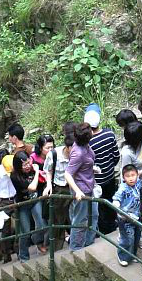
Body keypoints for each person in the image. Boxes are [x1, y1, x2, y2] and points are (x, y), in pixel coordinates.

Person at [83, 104, 120, 235]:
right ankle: (113, 224)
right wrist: (109, 166)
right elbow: (116, 155)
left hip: (96, 181)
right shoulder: (110, 134)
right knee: (110, 200)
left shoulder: (87, 142)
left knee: (99, 206)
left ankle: (104, 230)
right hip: (110, 176)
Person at [10, 151, 49, 261]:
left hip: (35, 200)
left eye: (28, 162)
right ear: (18, 166)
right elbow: (31, 188)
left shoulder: (33, 167)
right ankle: (24, 257)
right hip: (23, 204)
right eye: (24, 164)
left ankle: (36, 239)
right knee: (25, 232)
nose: (28, 166)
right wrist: (36, 172)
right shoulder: (14, 176)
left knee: (42, 225)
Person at [66, 122, 98, 251]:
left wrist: (92, 168)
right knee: (80, 220)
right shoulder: (78, 152)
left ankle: (88, 243)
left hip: (89, 185)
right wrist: (78, 191)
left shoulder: (85, 146)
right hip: (81, 189)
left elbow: (84, 164)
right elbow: (68, 174)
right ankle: (76, 248)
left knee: (93, 216)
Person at [43, 124, 75, 250]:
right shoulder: (54, 154)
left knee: (73, 217)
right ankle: (56, 249)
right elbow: (48, 170)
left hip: (72, 188)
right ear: (67, 147)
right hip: (59, 188)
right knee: (58, 220)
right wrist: (49, 185)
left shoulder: (77, 154)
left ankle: (76, 244)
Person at [112, 164, 142, 266]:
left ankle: (132, 255)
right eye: (127, 176)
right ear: (123, 178)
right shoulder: (123, 188)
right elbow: (117, 198)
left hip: (136, 216)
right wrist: (117, 204)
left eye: (133, 175)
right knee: (127, 238)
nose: (131, 178)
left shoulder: (138, 184)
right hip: (125, 218)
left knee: (136, 237)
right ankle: (122, 256)